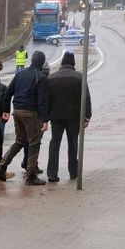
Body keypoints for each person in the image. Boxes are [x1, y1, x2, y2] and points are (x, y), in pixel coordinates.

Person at [0, 50, 49, 185]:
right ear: (42, 63)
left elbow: (8, 93)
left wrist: (6, 110)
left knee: (19, 141)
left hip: (17, 111)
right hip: (31, 113)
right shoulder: (41, 77)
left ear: (31, 60)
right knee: (34, 143)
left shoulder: (20, 74)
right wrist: (45, 119)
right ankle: (31, 176)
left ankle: (2, 166)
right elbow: (43, 100)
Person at [46, 51, 91, 182]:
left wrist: (45, 117)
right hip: (74, 117)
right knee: (73, 144)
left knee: (54, 144)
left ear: (62, 62)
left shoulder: (51, 78)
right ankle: (73, 172)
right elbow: (86, 98)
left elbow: (47, 99)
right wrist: (87, 116)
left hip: (56, 117)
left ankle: (52, 173)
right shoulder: (79, 77)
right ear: (73, 63)